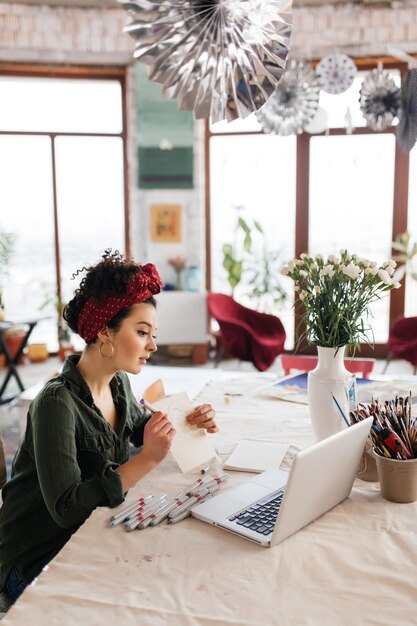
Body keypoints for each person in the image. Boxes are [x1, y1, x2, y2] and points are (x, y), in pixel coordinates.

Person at [0, 250, 218, 611]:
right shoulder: (56, 403)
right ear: (104, 331)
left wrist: (184, 419)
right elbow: (67, 508)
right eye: (142, 332)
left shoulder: (118, 385)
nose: (153, 345)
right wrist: (147, 460)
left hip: (82, 536)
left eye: (153, 334)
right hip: (33, 562)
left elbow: (136, 427)